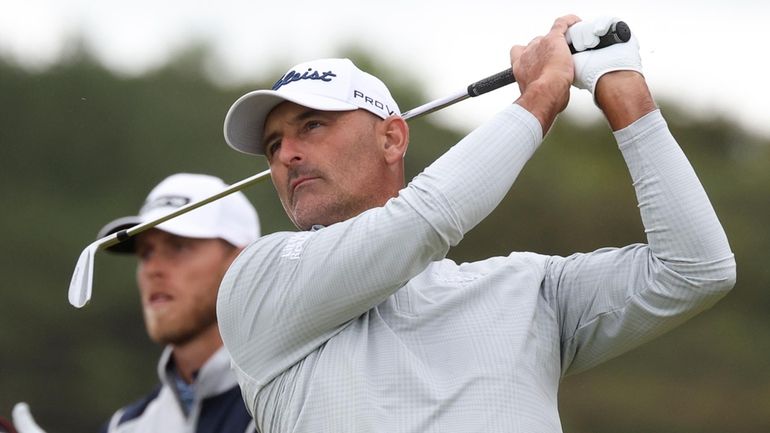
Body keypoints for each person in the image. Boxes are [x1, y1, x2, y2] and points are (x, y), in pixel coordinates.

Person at [216, 15, 736, 433]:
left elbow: (694, 269)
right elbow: (423, 219)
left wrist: (625, 95)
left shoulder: (529, 292)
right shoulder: (258, 280)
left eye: (311, 125)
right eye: (272, 145)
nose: (287, 154)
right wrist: (541, 96)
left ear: (393, 139)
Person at [14, 173, 260, 433]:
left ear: (241, 262)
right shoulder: (125, 427)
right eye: (146, 252)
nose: (153, 268)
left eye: (178, 247)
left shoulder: (294, 397)